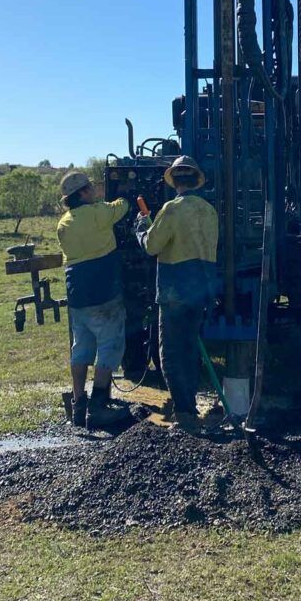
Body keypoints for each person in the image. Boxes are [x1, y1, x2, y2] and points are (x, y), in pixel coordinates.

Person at [135, 156, 218, 433]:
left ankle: (184, 413)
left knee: (170, 352)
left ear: (175, 182)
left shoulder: (171, 210)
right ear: (196, 180)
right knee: (190, 349)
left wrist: (142, 228)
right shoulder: (209, 211)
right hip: (199, 290)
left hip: (173, 291)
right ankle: (189, 404)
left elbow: (152, 246)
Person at [57, 171, 130, 429]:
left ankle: (79, 405)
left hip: (77, 291)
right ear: (83, 193)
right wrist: (123, 192)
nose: (94, 191)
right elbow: (122, 207)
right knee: (109, 344)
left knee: (82, 346)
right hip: (103, 288)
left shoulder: (63, 222)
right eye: (90, 188)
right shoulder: (99, 213)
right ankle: (99, 406)